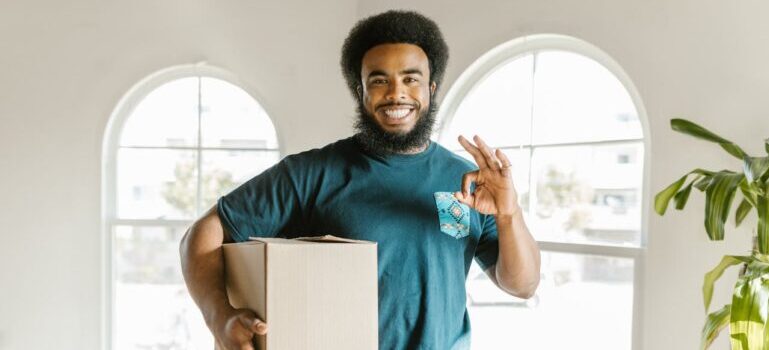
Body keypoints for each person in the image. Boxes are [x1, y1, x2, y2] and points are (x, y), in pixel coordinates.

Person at [180, 10, 540, 350]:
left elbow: (522, 285)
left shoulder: (467, 181)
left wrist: (509, 216)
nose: (396, 93)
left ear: (430, 89)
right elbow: (202, 234)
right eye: (379, 80)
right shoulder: (312, 174)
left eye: (410, 79)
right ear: (361, 92)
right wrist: (219, 318)